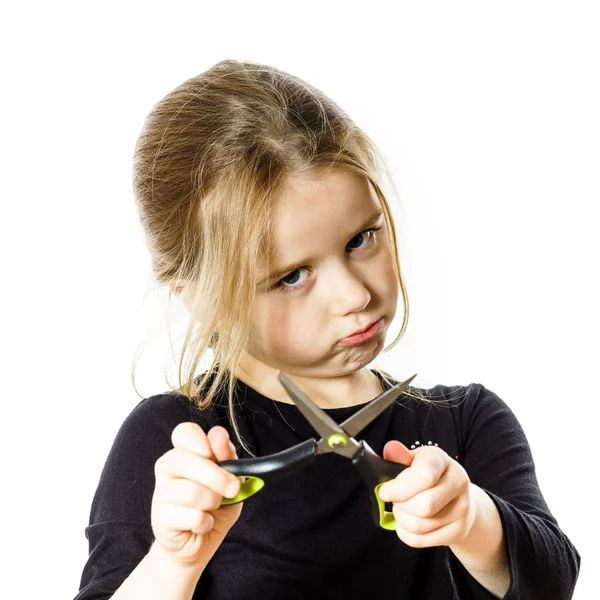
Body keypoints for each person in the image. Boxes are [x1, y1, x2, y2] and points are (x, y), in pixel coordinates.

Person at [74, 59, 580, 600]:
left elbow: (553, 583)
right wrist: (173, 562)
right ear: (198, 296)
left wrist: (472, 519)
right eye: (291, 276)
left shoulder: (464, 423)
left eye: (361, 239)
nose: (355, 296)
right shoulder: (176, 446)